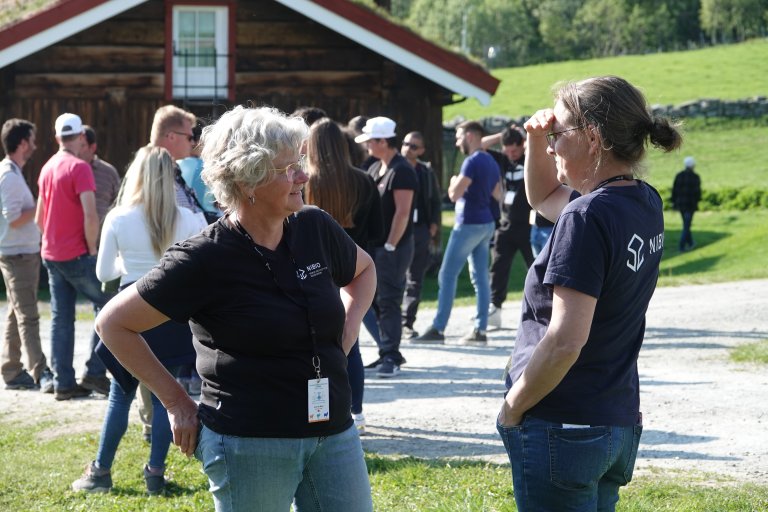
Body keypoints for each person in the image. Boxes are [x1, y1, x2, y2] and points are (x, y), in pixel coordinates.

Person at [94, 105, 376, 511]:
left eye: (300, 163)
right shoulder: (204, 257)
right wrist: (176, 402)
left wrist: (343, 339)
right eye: (288, 168)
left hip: (333, 432)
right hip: (250, 443)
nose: (303, 175)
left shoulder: (314, 226)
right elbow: (113, 324)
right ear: (249, 180)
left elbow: (363, 271)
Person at [497, 75, 681, 511]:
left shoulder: (585, 216)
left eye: (558, 137)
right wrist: (534, 137)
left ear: (593, 138)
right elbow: (542, 196)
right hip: (612, 421)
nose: (551, 147)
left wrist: (512, 407)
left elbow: (564, 341)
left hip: (563, 422)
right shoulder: (642, 201)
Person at [71, 145, 204, 495]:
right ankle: (156, 474)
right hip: (172, 314)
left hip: (129, 312)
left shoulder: (119, 217)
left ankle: (100, 471)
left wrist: (130, 265)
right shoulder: (189, 218)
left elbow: (104, 273)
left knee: (120, 395)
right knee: (167, 395)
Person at [304, 118, 384, 435]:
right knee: (352, 342)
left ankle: (318, 410)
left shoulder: (305, 182)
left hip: (313, 270)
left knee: (313, 344)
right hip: (355, 267)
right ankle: (357, 410)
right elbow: (377, 231)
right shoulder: (364, 181)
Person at [35, 113, 111, 401]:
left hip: (51, 254)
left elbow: (39, 219)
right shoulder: (80, 168)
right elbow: (91, 216)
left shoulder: (46, 168)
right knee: (108, 307)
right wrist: (92, 249)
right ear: (81, 137)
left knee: (60, 318)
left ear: (57, 138)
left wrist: (51, 240)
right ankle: (94, 372)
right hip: (78, 253)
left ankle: (63, 383)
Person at [414, 120, 500, 345]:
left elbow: (453, 194)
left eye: (459, 136)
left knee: (447, 274)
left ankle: (438, 328)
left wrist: (453, 182)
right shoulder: (491, 160)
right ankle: (480, 331)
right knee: (480, 278)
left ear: (471, 136)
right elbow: (498, 194)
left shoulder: (471, 162)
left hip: (468, 223)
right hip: (486, 223)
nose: (457, 140)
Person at [356, 116, 418, 378]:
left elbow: (402, 213)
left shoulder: (401, 170)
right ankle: (387, 352)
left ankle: (391, 355)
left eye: (371, 141)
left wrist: (391, 244)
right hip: (376, 246)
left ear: (383, 141)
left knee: (389, 300)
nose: (367, 145)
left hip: (393, 248)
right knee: (377, 301)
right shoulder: (375, 168)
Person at [0, 118, 52, 391]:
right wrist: (42, 204)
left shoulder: (13, 172)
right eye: (31, 140)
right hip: (17, 256)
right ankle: (40, 371)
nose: (34, 145)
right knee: (28, 316)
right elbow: (14, 219)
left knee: (15, 313)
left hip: (22, 255)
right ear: (22, 143)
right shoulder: (8, 175)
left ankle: (11, 370)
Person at [483, 125, 534, 330]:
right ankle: (495, 308)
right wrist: (502, 134)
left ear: (522, 146)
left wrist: (524, 135)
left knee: (535, 267)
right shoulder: (503, 159)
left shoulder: (530, 156)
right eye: (508, 150)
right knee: (498, 266)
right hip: (506, 224)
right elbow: (479, 146)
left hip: (529, 225)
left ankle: (542, 308)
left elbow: (535, 145)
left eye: (515, 150)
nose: (512, 154)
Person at [400, 131, 441, 339]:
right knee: (393, 276)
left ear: (422, 150)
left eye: (414, 146)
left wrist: (433, 225)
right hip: (397, 229)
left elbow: (435, 200)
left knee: (415, 278)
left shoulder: (425, 172)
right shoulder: (394, 167)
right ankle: (389, 321)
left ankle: (407, 322)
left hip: (419, 229)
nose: (408, 148)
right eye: (406, 143)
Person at [80, 125, 120, 231]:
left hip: (102, 242)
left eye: (82, 146)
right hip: (73, 242)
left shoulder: (109, 173)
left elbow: (119, 206)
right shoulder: (68, 171)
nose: (77, 150)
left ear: (92, 147)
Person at [671, 156, 701, 252]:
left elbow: (674, 190)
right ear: (692, 166)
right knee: (686, 226)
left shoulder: (679, 175)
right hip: (690, 205)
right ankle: (681, 246)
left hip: (681, 205)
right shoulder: (695, 177)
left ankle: (691, 242)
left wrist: (674, 202)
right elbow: (697, 193)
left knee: (686, 224)